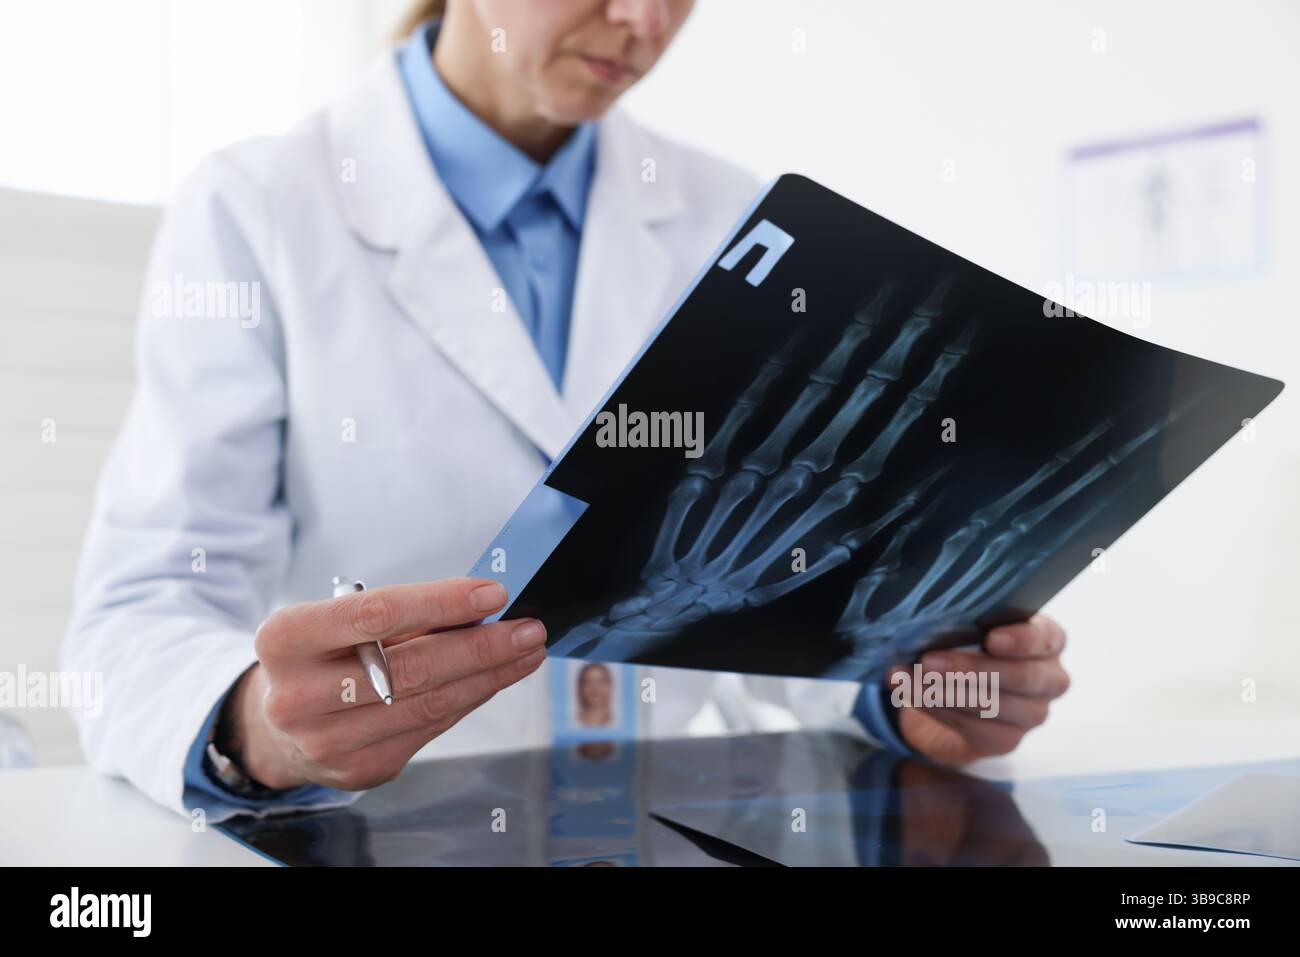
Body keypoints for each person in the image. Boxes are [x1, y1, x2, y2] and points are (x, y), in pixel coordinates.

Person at [64, 0, 1071, 820]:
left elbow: (785, 612)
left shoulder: (739, 219)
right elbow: (137, 616)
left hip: (664, 828)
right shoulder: (258, 206)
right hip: (370, 834)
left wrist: (904, 692)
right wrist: (258, 730)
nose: (642, 21)